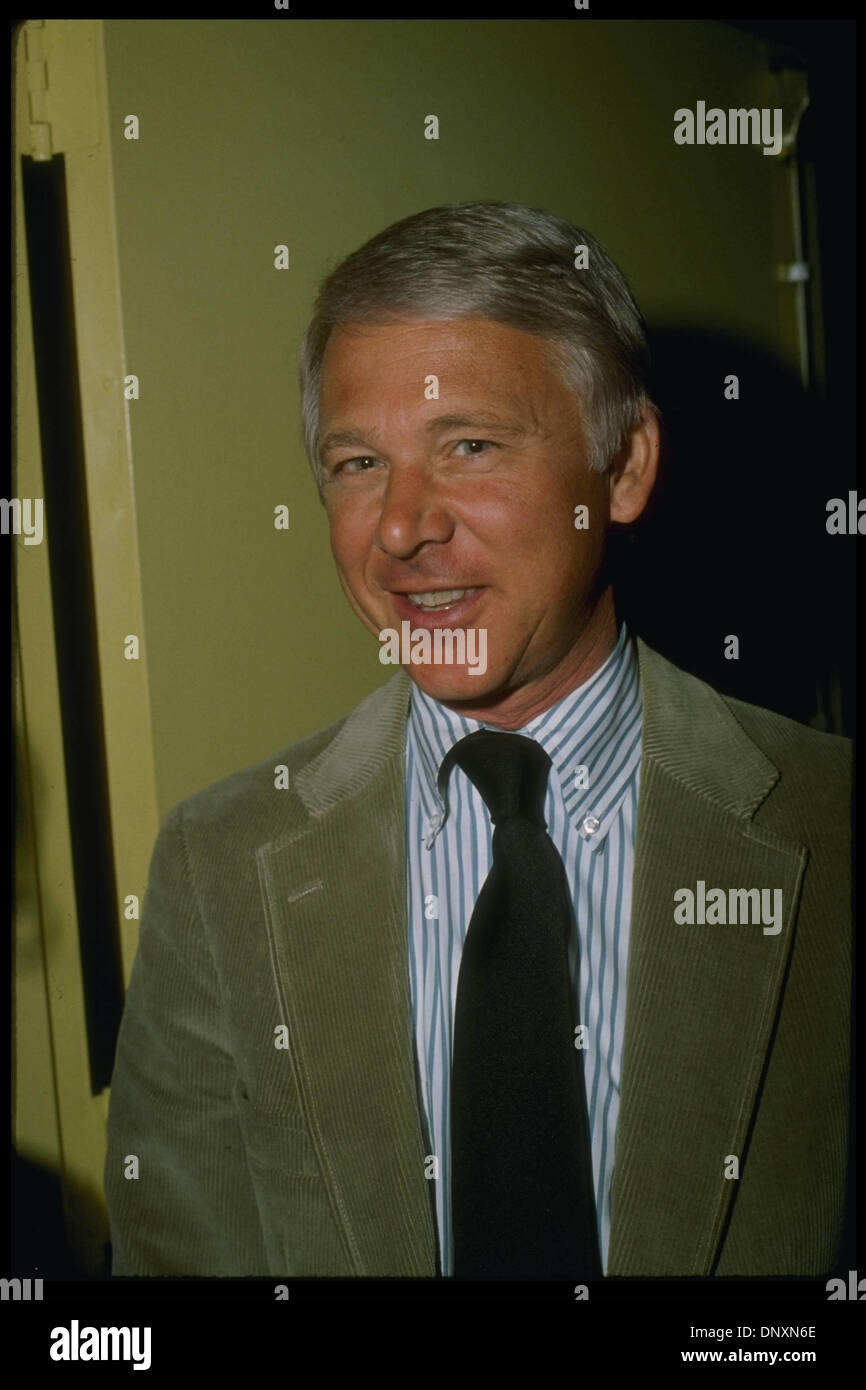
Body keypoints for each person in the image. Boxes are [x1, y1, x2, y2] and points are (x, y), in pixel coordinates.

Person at [104, 201, 851, 1279]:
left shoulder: (828, 830)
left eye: (468, 445)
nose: (403, 526)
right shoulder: (218, 866)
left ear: (625, 466)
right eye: (357, 463)